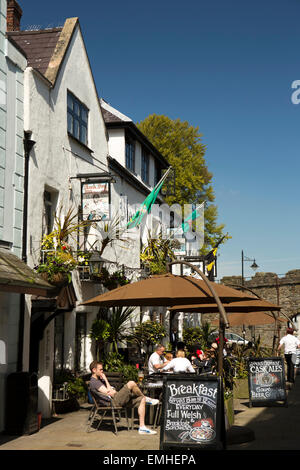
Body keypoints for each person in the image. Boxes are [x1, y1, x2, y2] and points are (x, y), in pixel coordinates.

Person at [89, 361, 159, 435]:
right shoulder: (94, 382)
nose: (102, 371)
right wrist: (106, 379)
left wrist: (111, 390)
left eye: (102, 369)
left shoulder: (98, 380)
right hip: (113, 403)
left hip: (115, 398)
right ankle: (146, 397)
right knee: (131, 383)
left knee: (142, 399)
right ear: (94, 370)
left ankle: (142, 427)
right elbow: (109, 391)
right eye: (100, 369)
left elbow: (111, 391)